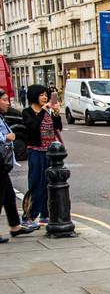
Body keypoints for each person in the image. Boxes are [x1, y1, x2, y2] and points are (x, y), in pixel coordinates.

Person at [0, 88, 39, 243]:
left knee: (9, 196)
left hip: (3, 164)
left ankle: (15, 227)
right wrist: (6, 136)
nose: (7, 103)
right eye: (4, 100)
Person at [22, 84, 63, 226]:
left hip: (49, 153)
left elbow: (58, 128)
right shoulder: (27, 112)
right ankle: (28, 217)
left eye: (46, 95)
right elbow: (32, 126)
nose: (45, 97)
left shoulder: (48, 112)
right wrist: (43, 111)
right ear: (34, 96)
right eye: (41, 95)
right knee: (36, 184)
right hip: (36, 151)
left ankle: (45, 215)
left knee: (48, 184)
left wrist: (56, 114)